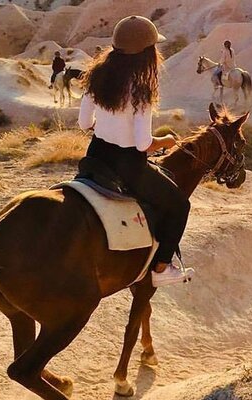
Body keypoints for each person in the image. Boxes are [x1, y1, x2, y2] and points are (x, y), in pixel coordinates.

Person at [78, 15, 195, 287]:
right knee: (179, 205)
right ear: (146, 53)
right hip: (128, 167)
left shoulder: (96, 76)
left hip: (94, 157)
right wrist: (165, 141)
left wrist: (107, 127)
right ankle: (162, 268)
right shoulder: (141, 90)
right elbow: (143, 144)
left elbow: (84, 123)